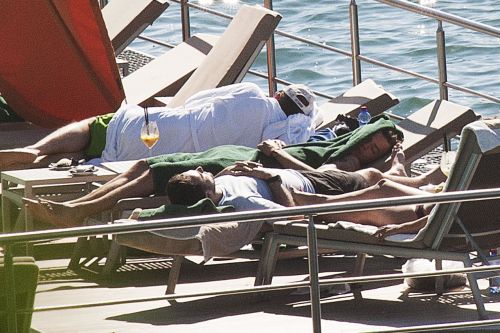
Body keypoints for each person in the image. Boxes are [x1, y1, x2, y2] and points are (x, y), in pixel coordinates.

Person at [0, 82, 318, 170]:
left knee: (96, 127)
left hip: (166, 125)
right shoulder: (275, 137)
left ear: (278, 94)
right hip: (169, 157)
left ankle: (36, 151)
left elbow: (201, 98)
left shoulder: (252, 94)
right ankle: (61, 160)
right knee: (101, 153)